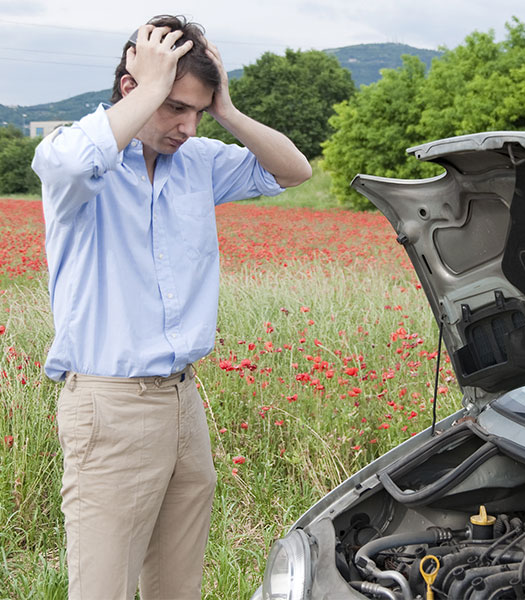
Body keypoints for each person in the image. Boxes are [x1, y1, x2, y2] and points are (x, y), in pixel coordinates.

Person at [32, 14, 311, 600]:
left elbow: (293, 171)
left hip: (183, 399)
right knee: (102, 588)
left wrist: (227, 112)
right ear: (134, 86)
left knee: (177, 584)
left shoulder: (199, 162)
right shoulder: (80, 161)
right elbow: (67, 164)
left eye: (197, 111)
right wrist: (154, 85)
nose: (186, 125)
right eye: (174, 107)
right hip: (110, 404)